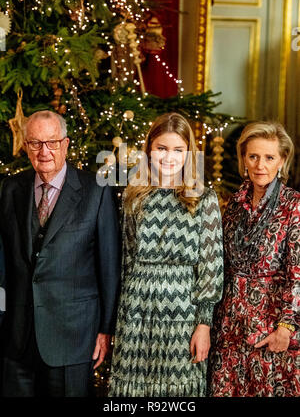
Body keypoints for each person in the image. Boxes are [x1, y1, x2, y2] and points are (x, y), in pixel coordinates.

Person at [0, 110, 121, 397]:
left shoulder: (96, 190)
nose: (44, 151)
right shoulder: (10, 188)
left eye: (52, 142)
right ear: (26, 146)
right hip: (16, 337)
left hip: (73, 336)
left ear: (65, 144)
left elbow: (109, 266)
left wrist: (105, 330)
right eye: (35, 143)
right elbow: (3, 261)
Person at [108, 112, 224, 397]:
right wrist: (118, 318)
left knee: (177, 393)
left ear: (189, 153)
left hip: (182, 312)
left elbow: (211, 266)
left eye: (178, 150)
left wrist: (204, 324)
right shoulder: (134, 197)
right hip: (136, 309)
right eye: (161, 148)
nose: (169, 157)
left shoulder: (203, 199)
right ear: (149, 150)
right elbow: (126, 260)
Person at [209, 121, 300, 397]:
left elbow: (297, 272)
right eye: (254, 156)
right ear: (244, 160)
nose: (261, 165)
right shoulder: (233, 204)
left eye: (269, 157)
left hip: (270, 328)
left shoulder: (293, 205)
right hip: (229, 327)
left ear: (281, 161)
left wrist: (285, 327)